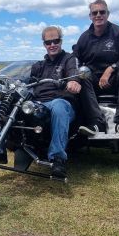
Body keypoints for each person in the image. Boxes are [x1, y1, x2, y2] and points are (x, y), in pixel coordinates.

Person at [73, 0, 119, 136]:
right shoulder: (84, 37)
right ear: (90, 16)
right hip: (93, 83)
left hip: (117, 81)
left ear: (108, 14)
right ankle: (96, 124)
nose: (98, 15)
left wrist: (111, 68)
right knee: (82, 75)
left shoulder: (118, 32)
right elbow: (74, 59)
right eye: (95, 13)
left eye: (102, 12)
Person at [30, 26, 82, 178]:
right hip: (40, 103)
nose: (52, 45)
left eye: (56, 41)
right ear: (44, 44)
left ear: (61, 41)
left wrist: (73, 81)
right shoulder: (39, 65)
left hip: (62, 102)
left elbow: (74, 73)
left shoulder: (69, 59)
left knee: (59, 106)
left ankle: (58, 158)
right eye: (48, 42)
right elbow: (29, 82)